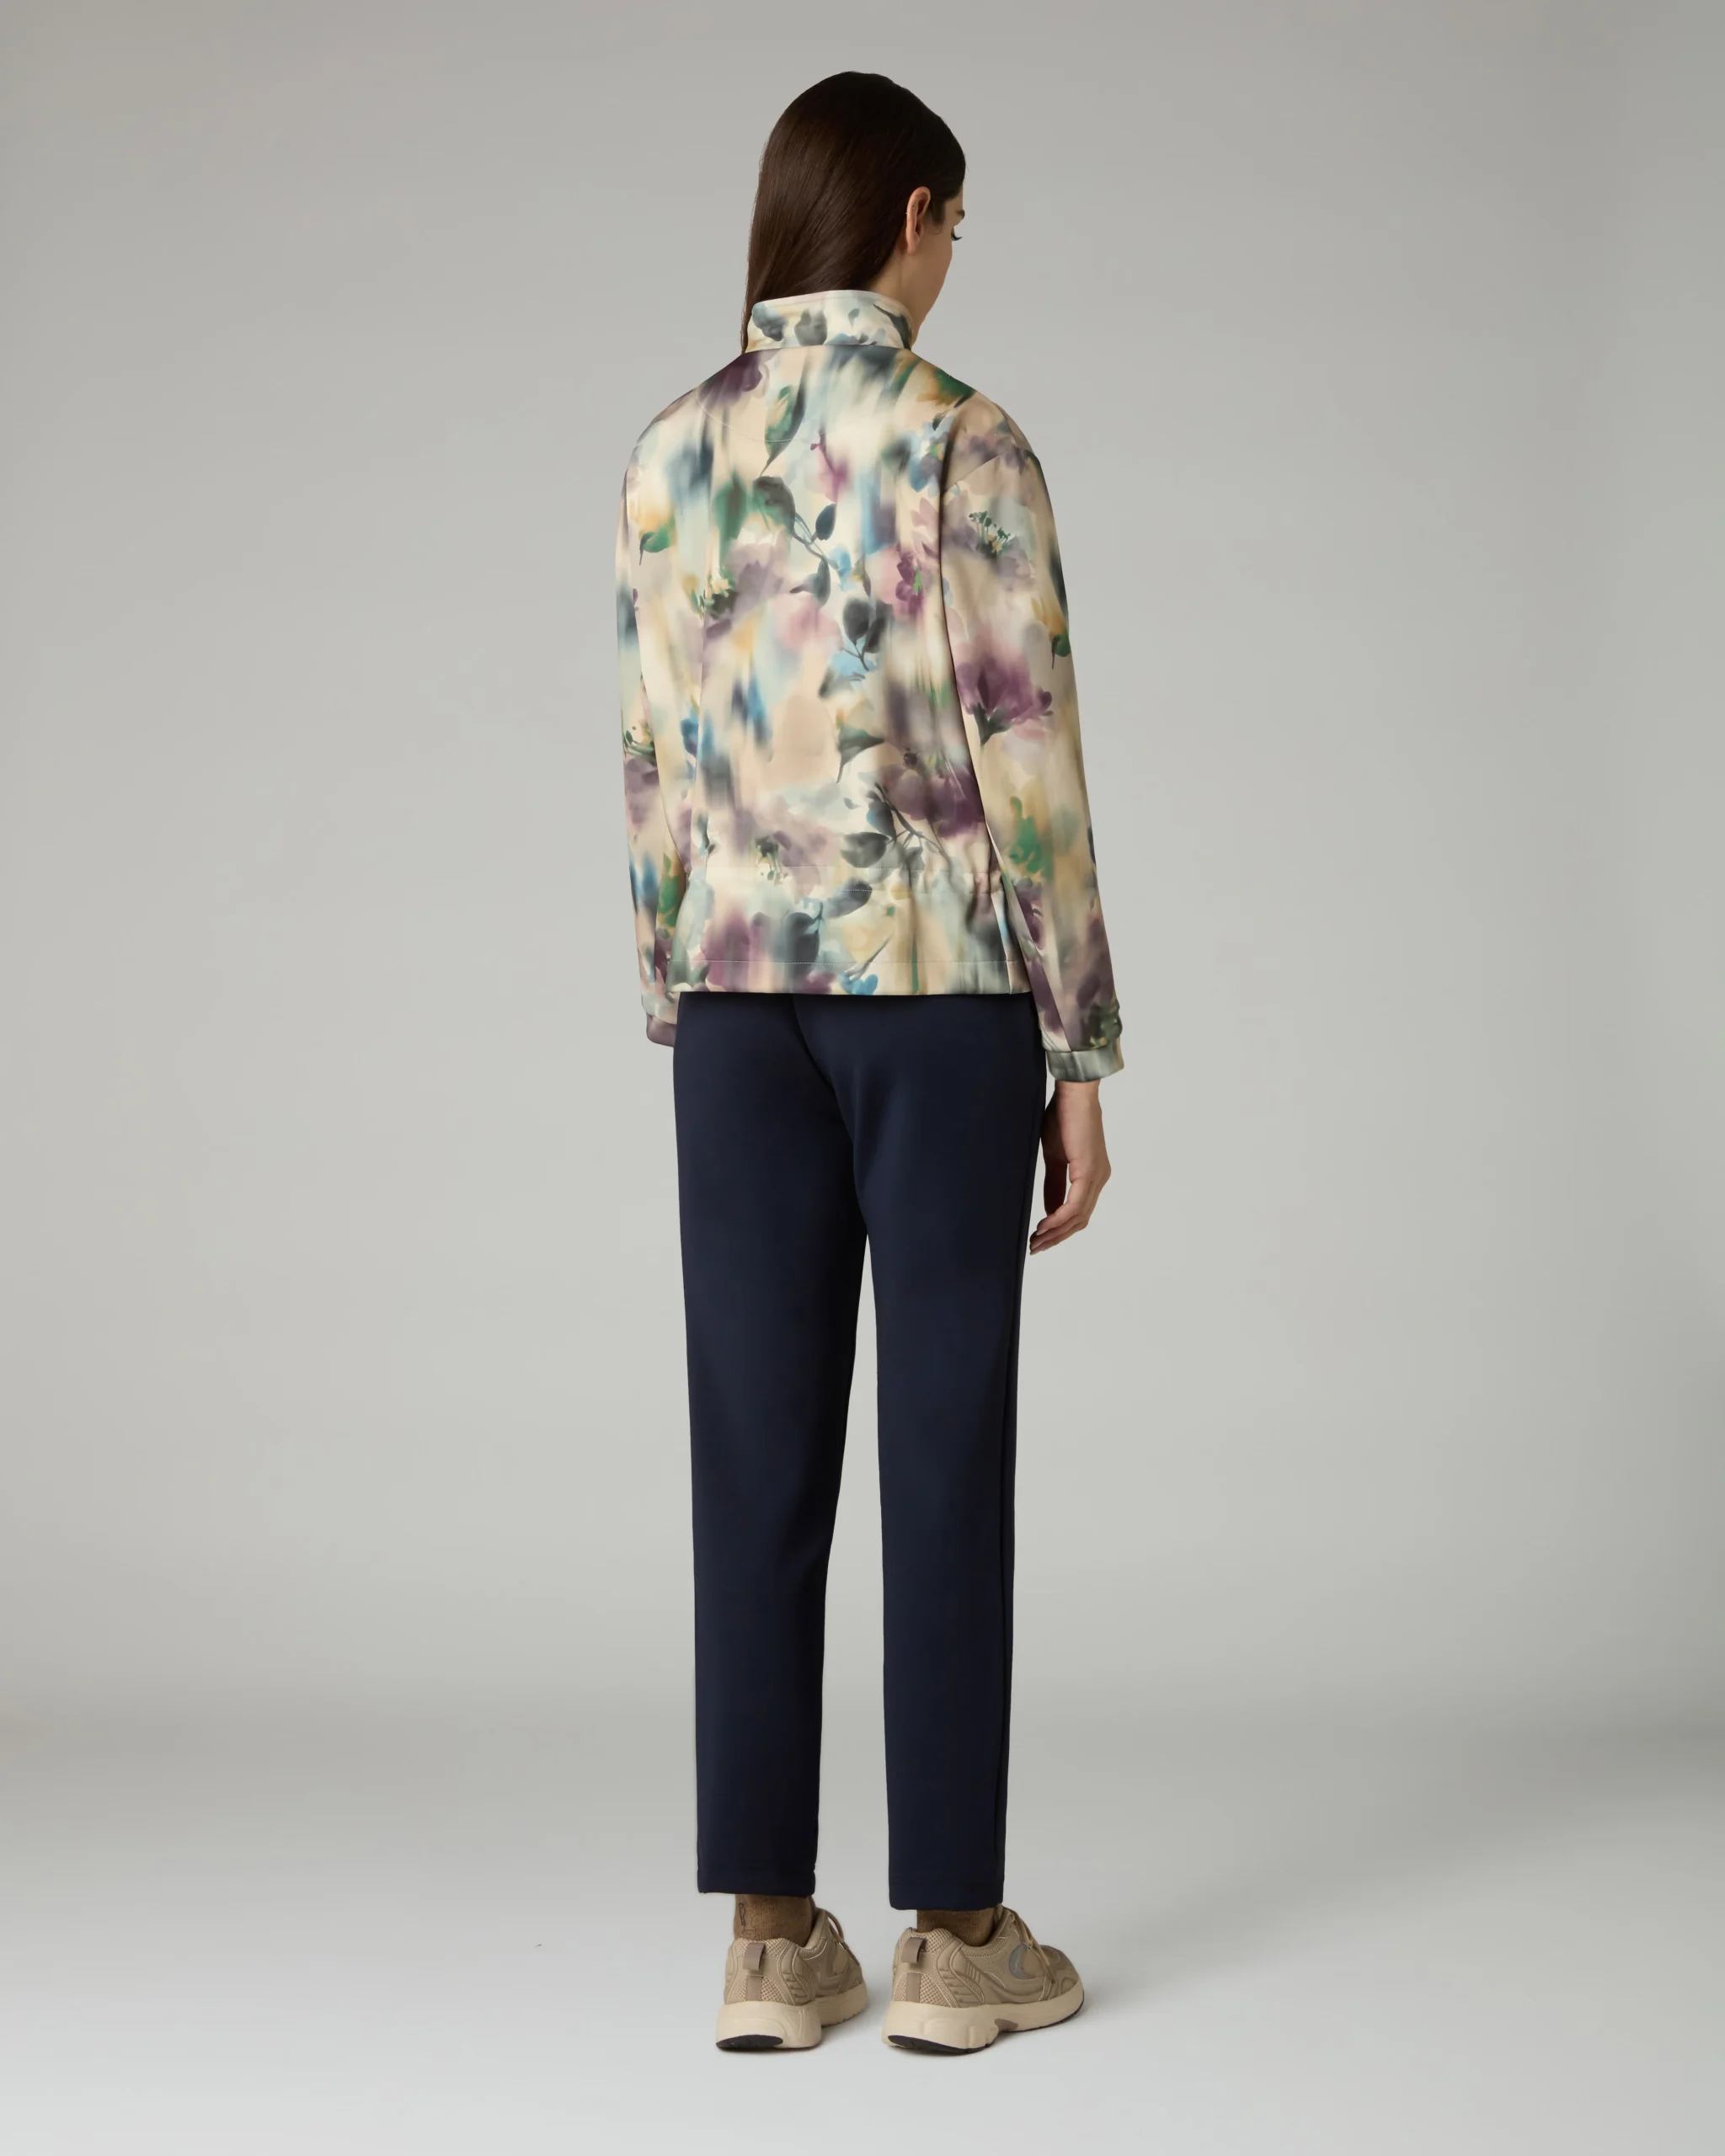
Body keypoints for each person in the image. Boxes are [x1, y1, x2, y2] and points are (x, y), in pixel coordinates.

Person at [614, 71, 1122, 2056]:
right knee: (944, 1443)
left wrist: (679, 984)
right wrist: (1078, 1046)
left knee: (750, 1449)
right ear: (911, 214)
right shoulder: (964, 441)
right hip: (941, 997)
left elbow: (653, 756)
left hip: (736, 1007)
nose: (950, 258)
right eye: (954, 225)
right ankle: (953, 1935)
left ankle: (767, 1937)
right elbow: (1027, 755)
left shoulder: (670, 449)